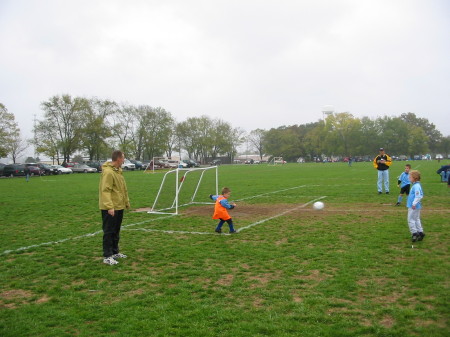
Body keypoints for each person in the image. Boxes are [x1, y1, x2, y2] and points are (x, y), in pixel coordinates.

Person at [99, 150, 130, 265]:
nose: (124, 160)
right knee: (109, 231)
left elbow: (122, 189)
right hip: (110, 208)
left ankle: (115, 252)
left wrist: (126, 202)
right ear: (118, 159)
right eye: (123, 158)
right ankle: (107, 256)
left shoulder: (118, 172)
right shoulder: (108, 172)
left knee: (116, 230)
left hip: (119, 206)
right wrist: (109, 207)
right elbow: (105, 191)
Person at [406, 170, 425, 242]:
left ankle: (414, 233)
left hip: (413, 206)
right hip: (417, 206)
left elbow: (418, 196)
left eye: (410, 177)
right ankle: (420, 232)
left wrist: (413, 204)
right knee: (416, 219)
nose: (409, 178)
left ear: (415, 178)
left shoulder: (416, 186)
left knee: (410, 220)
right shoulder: (416, 185)